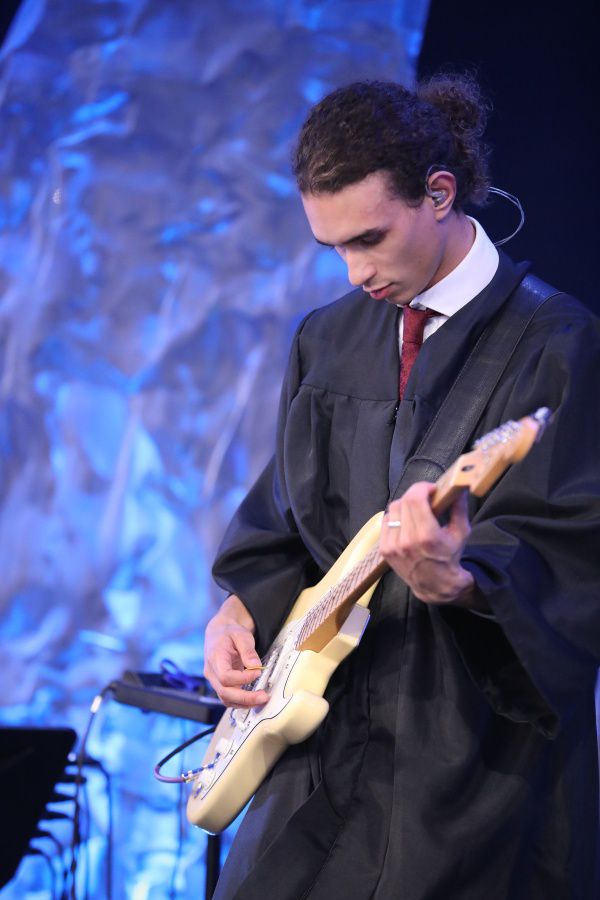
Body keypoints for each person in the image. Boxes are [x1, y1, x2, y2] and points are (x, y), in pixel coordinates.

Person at [203, 74, 600, 899]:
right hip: (318, 755)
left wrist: (461, 582)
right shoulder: (327, 340)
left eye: (370, 239)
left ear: (440, 194)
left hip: (469, 767)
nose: (356, 272)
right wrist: (237, 612)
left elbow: (572, 567)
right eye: (334, 248)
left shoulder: (557, 348)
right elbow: (284, 522)